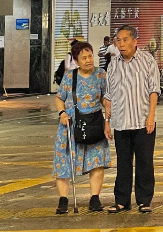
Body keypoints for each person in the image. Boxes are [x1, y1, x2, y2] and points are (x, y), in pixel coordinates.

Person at [104, 25, 160, 214]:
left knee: (145, 162)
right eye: (118, 40)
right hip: (121, 122)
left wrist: (151, 116)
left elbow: (154, 90)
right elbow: (109, 95)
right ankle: (122, 201)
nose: (121, 44)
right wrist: (107, 122)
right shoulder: (113, 64)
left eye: (125, 40)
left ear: (135, 41)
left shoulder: (147, 60)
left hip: (143, 121)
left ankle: (144, 200)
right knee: (123, 163)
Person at [54, 42, 110, 214]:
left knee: (97, 162)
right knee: (64, 162)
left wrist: (107, 106)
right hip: (71, 124)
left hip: (94, 121)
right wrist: (62, 113)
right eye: (84, 58)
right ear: (77, 61)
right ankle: (63, 200)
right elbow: (59, 98)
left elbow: (104, 97)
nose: (88, 60)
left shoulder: (101, 74)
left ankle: (95, 198)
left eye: (90, 56)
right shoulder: (69, 76)